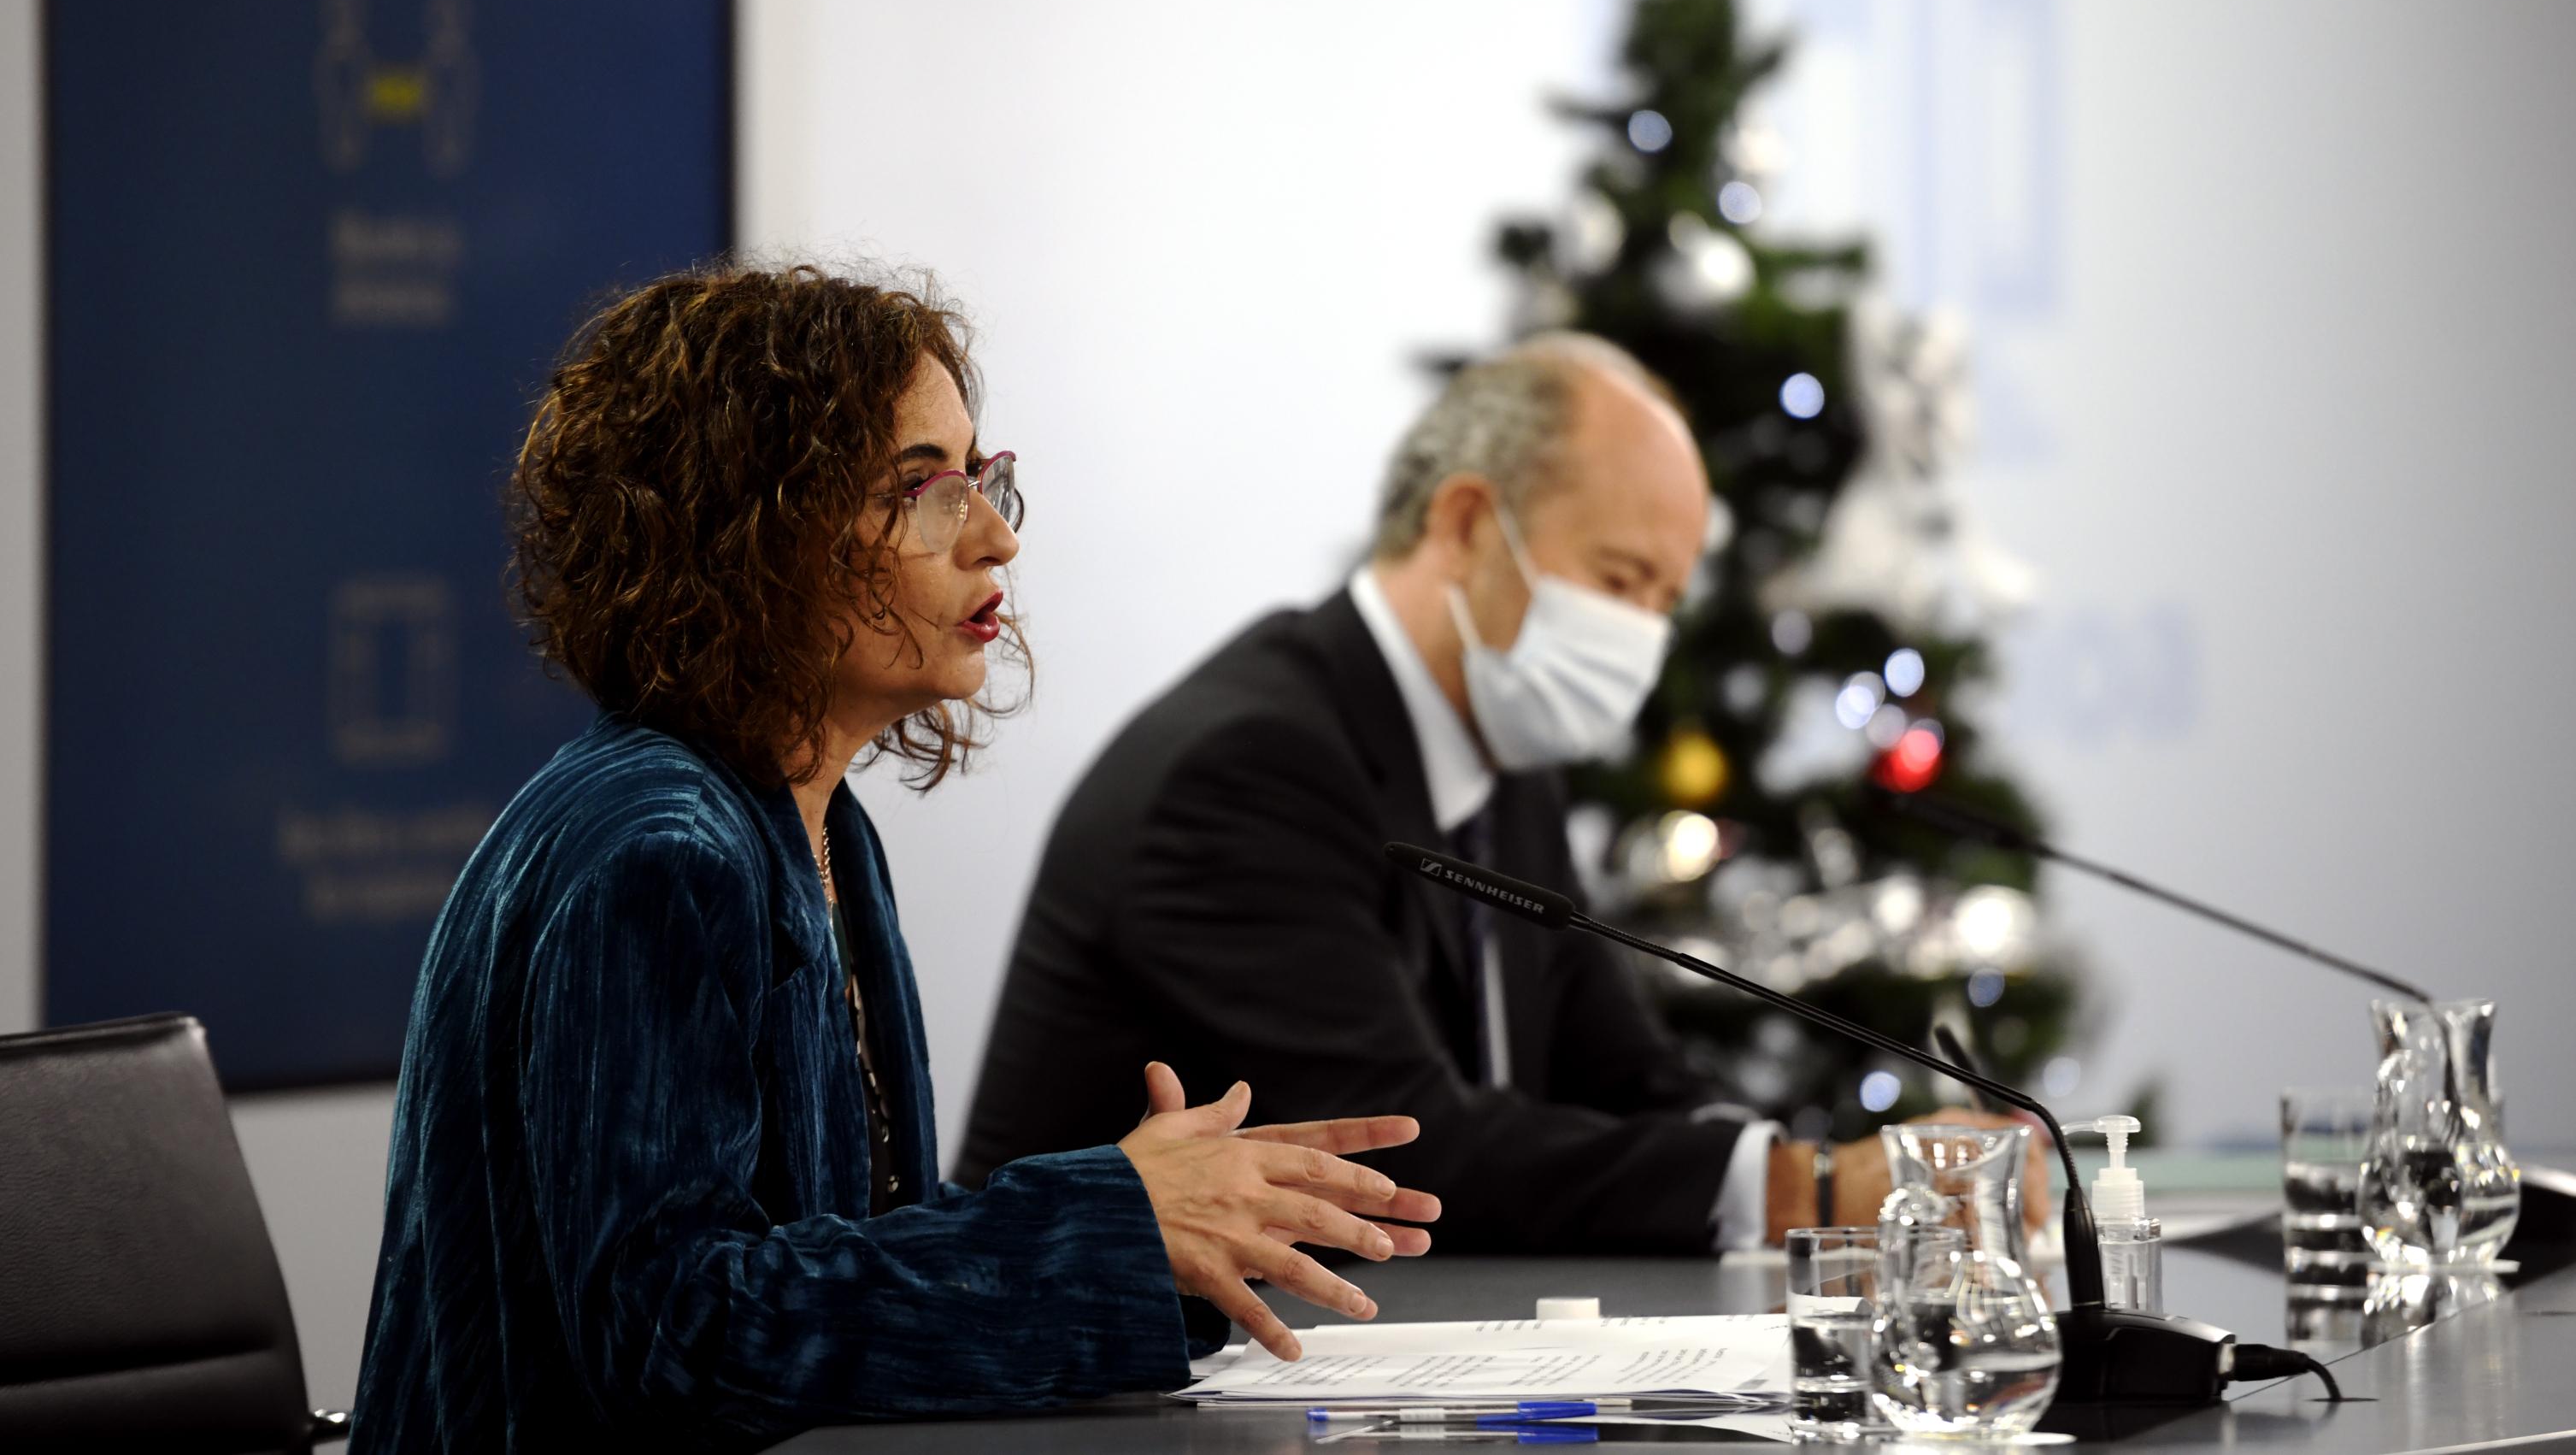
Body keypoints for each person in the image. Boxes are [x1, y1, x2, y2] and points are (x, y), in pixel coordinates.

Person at [350, 264, 1438, 1452]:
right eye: (923, 489)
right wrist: (1100, 1222)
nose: (991, 540)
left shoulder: (815, 826)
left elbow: (846, 1272)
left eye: (983, 481)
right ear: (751, 532)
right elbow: (674, 1336)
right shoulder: (658, 852)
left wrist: (1167, 1240)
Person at [962, 334, 2041, 1250]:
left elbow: (1619, 1073)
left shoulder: (1500, 753)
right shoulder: (1246, 767)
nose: (1643, 638)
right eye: (1621, 581)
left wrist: (1816, 1173)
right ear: (1469, 523)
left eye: (1664, 600)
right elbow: (1413, 1145)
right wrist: (1795, 1187)